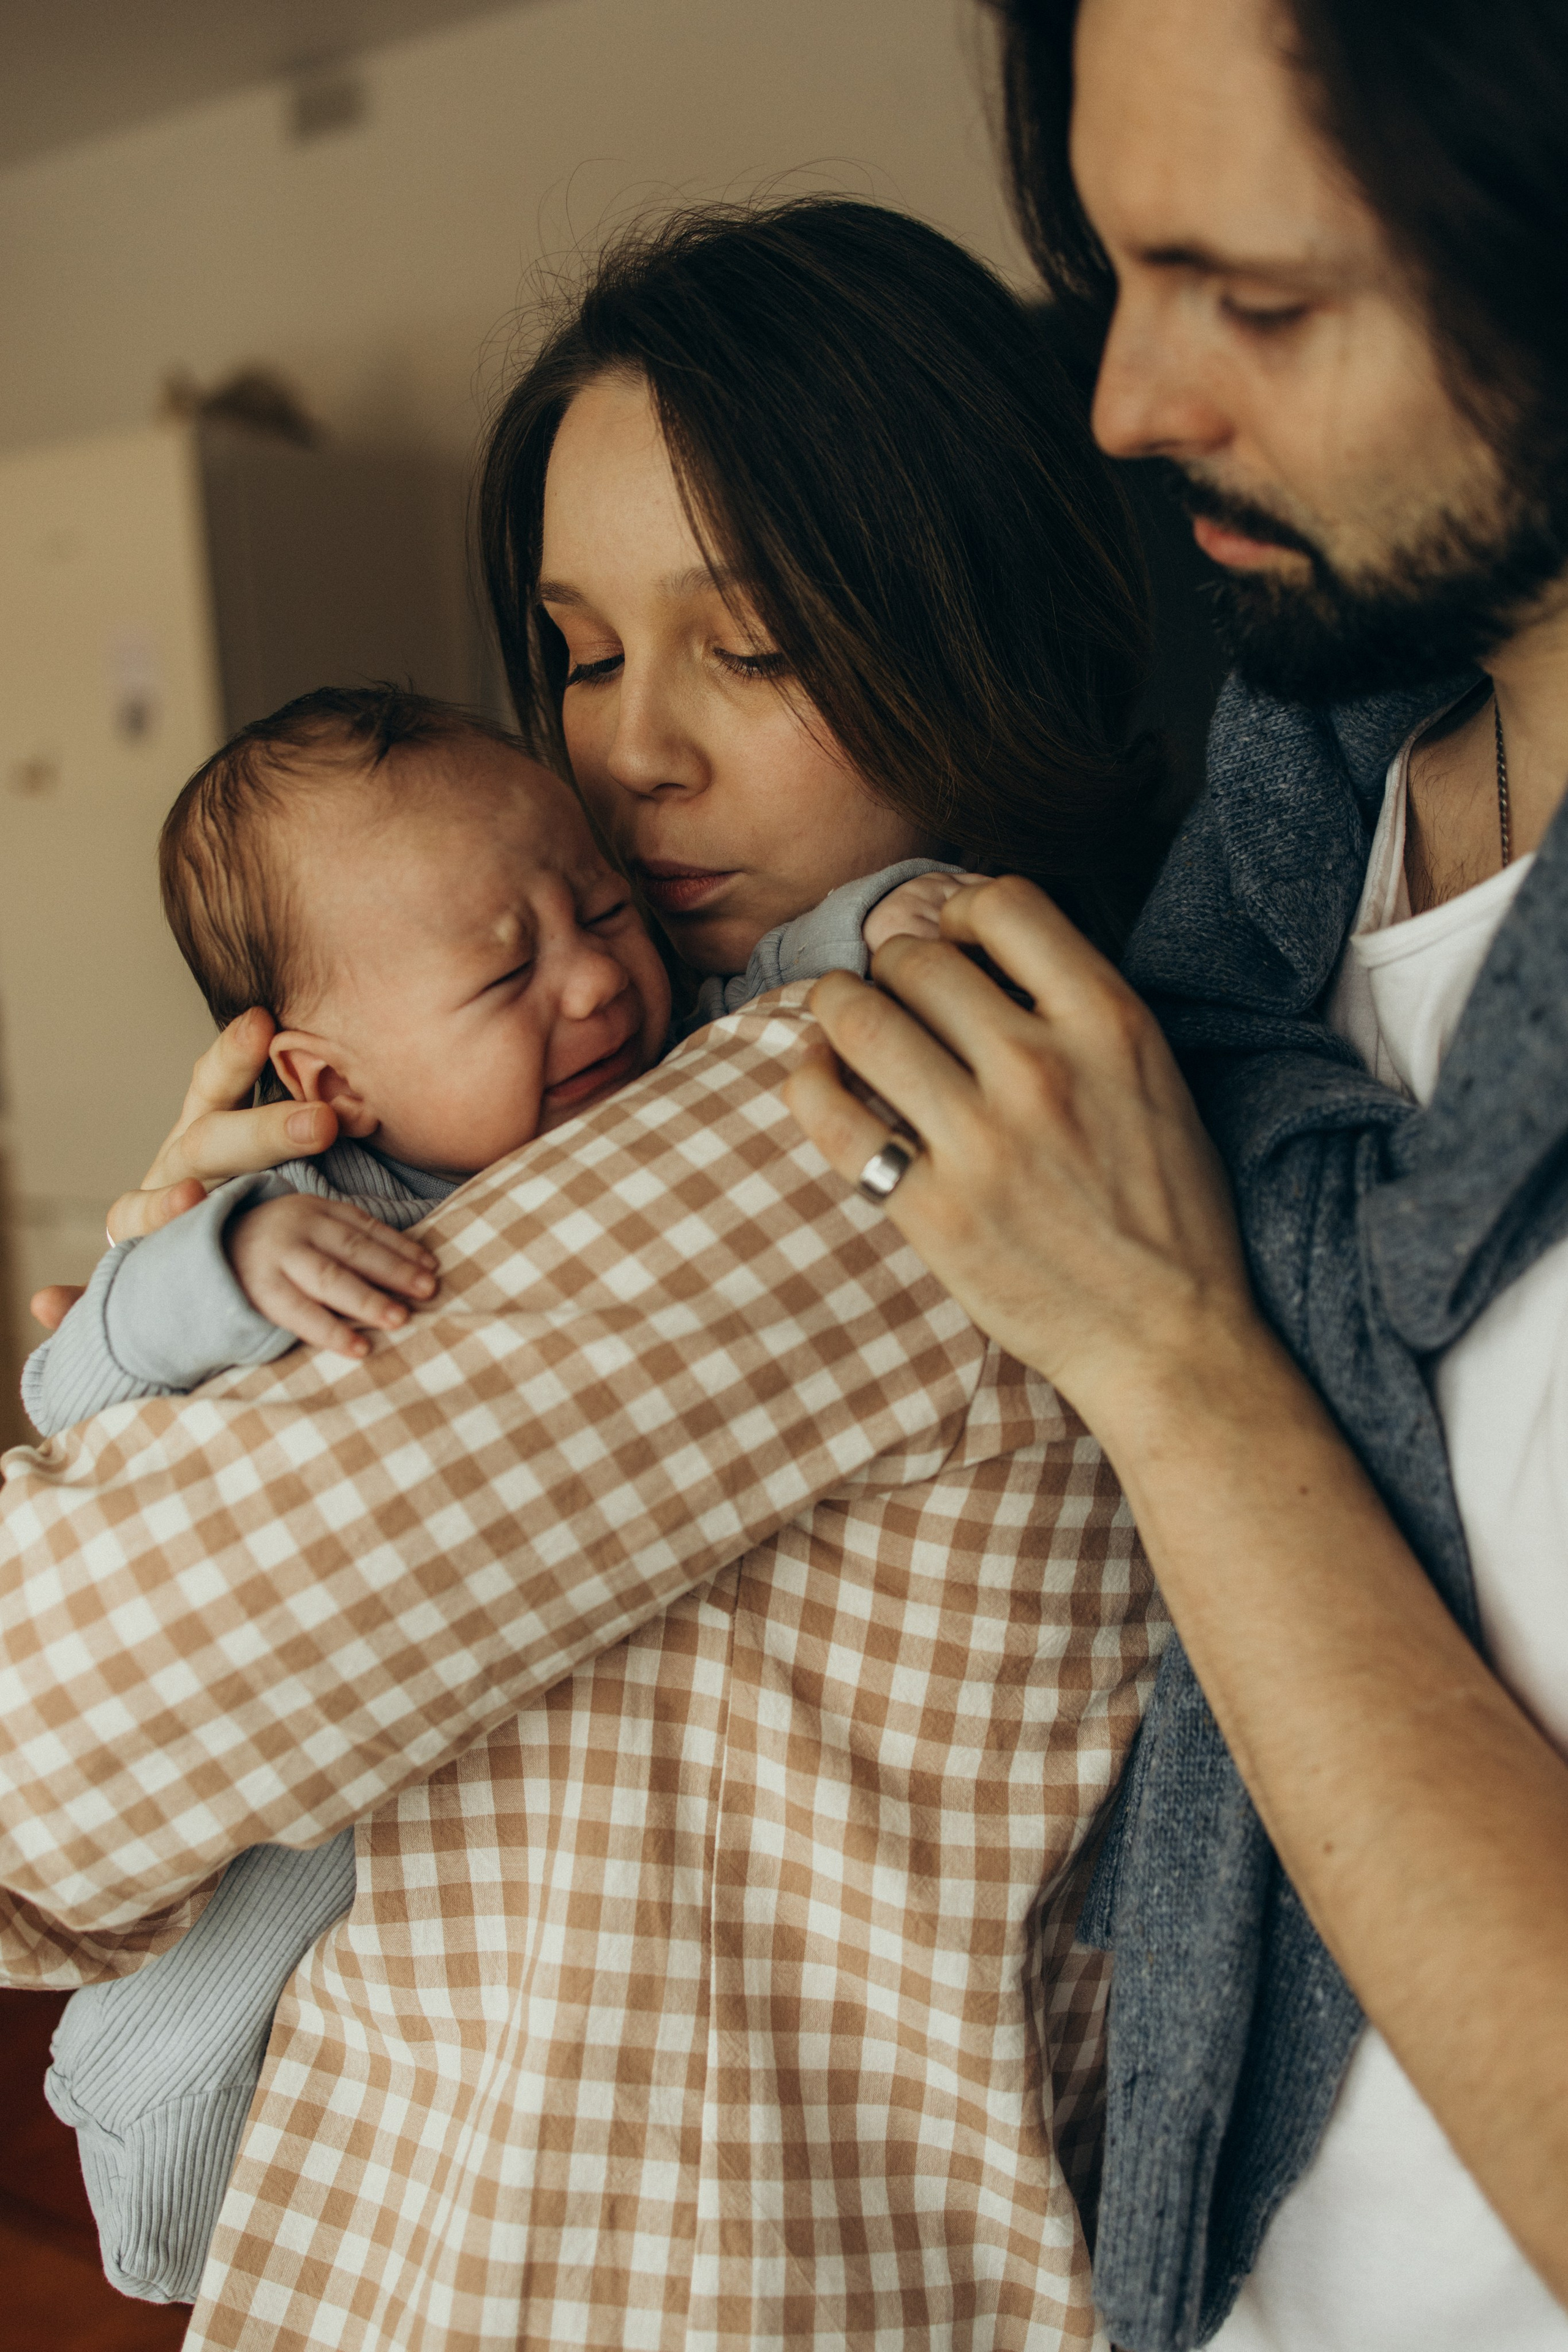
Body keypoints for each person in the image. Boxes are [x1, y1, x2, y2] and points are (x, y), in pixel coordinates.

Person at [0, 198, 1169, 2351]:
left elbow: (34, 1740)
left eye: (752, 642)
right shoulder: (754, 1062)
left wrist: (123, 1427)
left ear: (974, 612)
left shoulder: (857, 1097)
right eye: (584, 647)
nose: (630, 756)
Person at [786, 4, 1568, 2348]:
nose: (1126, 401)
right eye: (1116, 268)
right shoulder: (1245, 889)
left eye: (1264, 298)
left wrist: (1171, 1356)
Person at [32, 676, 973, 2301]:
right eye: (504, 971)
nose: (603, 979)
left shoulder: (690, 1097)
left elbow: (783, 976)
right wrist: (221, 1260)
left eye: (600, 908)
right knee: (168, 2068)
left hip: (418, 1762)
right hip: (279, 1798)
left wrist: (894, 916)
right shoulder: (305, 1188)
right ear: (332, 1075)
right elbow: (71, 1381)